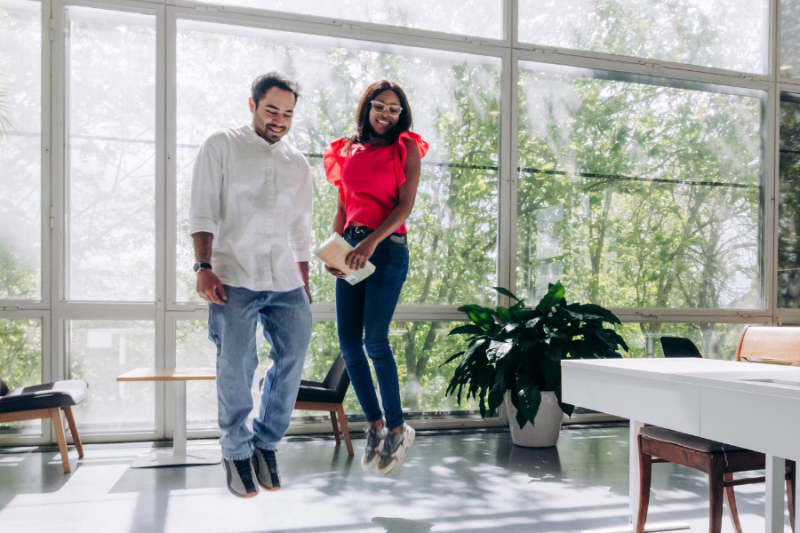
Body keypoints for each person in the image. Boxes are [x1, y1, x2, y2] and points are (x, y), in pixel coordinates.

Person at [189, 72, 313, 498]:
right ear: (252, 105)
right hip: (233, 274)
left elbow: (300, 228)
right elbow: (203, 210)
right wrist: (203, 265)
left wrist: (305, 278)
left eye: (288, 113)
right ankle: (235, 449)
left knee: (293, 355)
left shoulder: (297, 163)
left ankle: (266, 442)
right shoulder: (221, 145)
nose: (279, 120)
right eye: (271, 110)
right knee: (237, 364)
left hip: (284, 279)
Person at [323, 80, 428, 476]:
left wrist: (369, 242)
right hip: (350, 246)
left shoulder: (407, 147)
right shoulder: (347, 150)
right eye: (380, 107)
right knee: (348, 343)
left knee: (374, 339)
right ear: (366, 107)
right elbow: (342, 207)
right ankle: (376, 425)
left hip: (386, 247)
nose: (387, 114)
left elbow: (404, 208)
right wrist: (334, 251)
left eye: (394, 109)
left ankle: (399, 428)